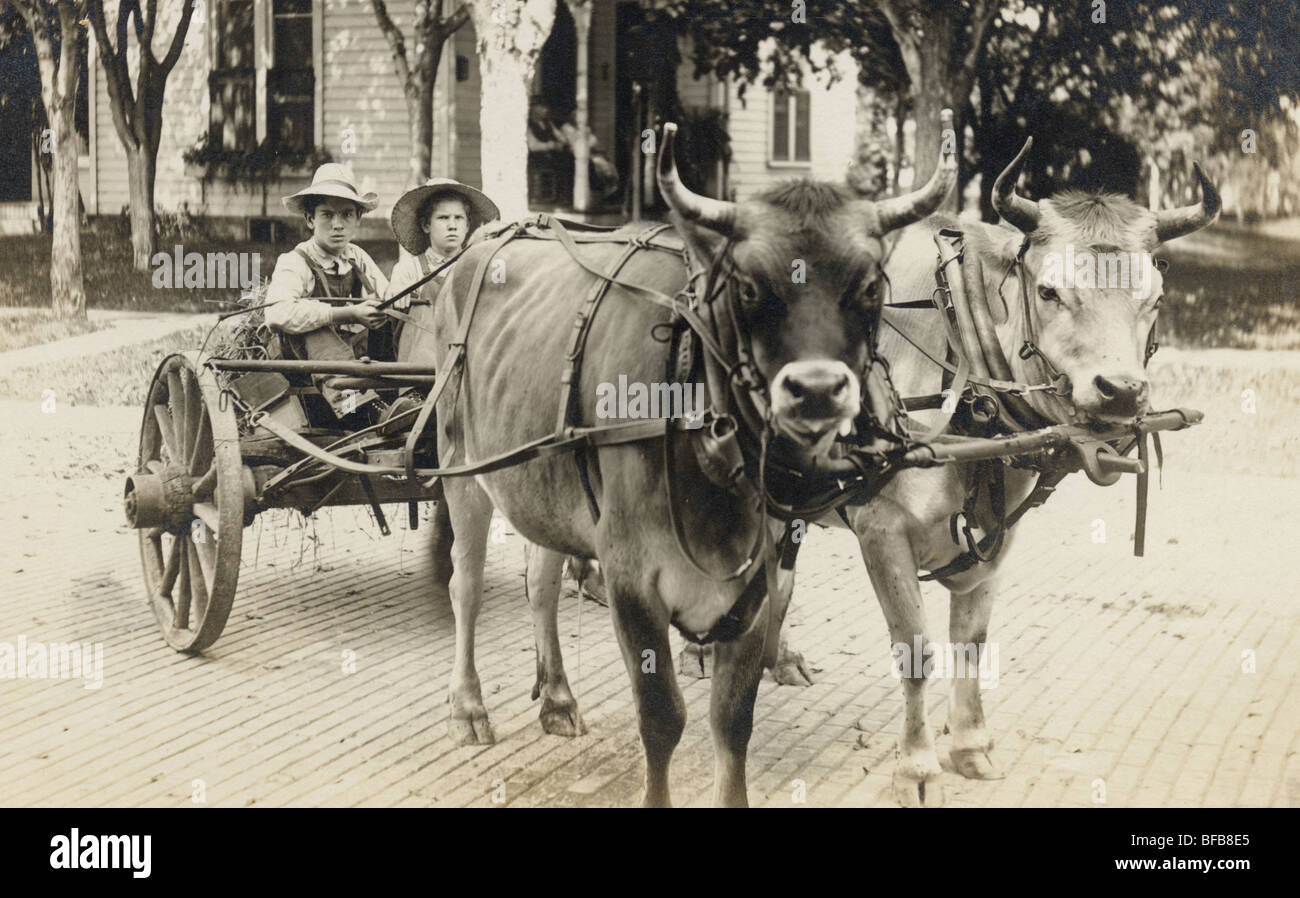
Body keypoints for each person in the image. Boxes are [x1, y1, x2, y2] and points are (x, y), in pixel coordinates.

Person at [265, 163, 395, 428]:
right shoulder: (295, 261)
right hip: (301, 364)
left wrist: (392, 303)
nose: (337, 225)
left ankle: (409, 395)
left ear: (358, 218)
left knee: (395, 320)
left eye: (347, 214)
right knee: (315, 326)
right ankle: (363, 410)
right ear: (310, 219)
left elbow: (387, 295)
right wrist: (344, 313)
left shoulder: (357, 258)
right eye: (327, 215)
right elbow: (276, 314)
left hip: (352, 358)